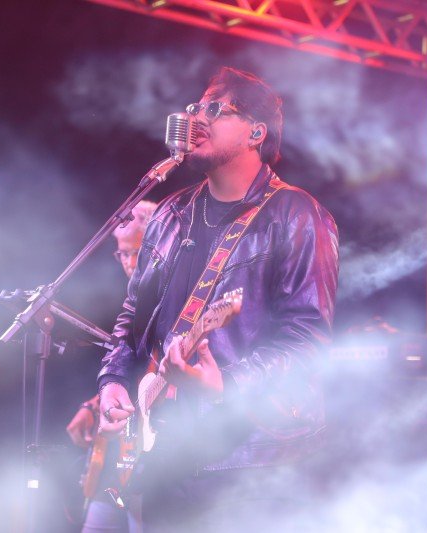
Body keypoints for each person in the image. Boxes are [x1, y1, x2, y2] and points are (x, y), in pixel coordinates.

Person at [96, 67, 339, 531]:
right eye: (195, 107)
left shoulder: (296, 214)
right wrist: (113, 380)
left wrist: (227, 383)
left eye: (215, 108)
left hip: (252, 460)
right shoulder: (170, 214)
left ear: (255, 132)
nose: (197, 117)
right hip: (167, 453)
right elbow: (133, 315)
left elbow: (306, 340)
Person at [65, 200, 157, 533]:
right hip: (118, 457)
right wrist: (94, 404)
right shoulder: (132, 301)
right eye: (123, 254)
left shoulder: (173, 296)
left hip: (153, 460)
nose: (130, 263)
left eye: (137, 252)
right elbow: (131, 369)